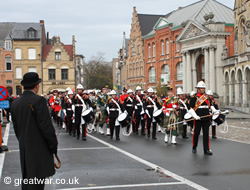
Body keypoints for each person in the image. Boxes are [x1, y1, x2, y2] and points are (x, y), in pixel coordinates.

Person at [11, 72, 58, 190]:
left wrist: (23, 140)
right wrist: (53, 146)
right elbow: (46, 127)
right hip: (39, 148)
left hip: (25, 147)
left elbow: (16, 128)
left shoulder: (16, 103)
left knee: (27, 180)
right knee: (37, 183)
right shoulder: (39, 100)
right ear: (36, 85)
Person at [188, 81, 213, 155]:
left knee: (206, 134)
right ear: (198, 89)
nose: (202, 89)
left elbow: (210, 106)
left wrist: (214, 110)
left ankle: (206, 149)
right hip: (198, 117)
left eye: (203, 88)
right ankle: (194, 147)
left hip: (206, 117)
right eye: (201, 88)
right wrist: (195, 116)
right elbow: (190, 108)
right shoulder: (194, 97)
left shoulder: (207, 97)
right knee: (196, 133)